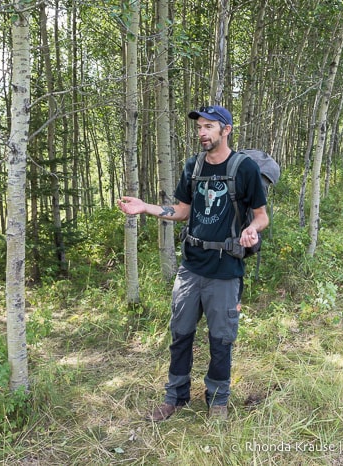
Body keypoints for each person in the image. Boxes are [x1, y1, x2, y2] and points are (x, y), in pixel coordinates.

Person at [117, 105, 269, 421]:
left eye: (209, 126)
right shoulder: (193, 166)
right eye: (199, 127)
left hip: (225, 271)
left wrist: (251, 231)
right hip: (191, 268)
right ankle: (175, 397)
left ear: (226, 130)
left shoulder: (245, 169)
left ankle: (217, 401)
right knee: (181, 334)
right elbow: (183, 211)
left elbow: (261, 215)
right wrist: (145, 207)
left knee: (221, 340)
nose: (201, 132)